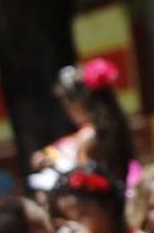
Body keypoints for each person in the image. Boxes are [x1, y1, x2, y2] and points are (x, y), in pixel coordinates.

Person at [30, 59, 135, 192]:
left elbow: (84, 181)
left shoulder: (90, 137)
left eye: (67, 105)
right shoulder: (112, 128)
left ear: (79, 103)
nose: (67, 112)